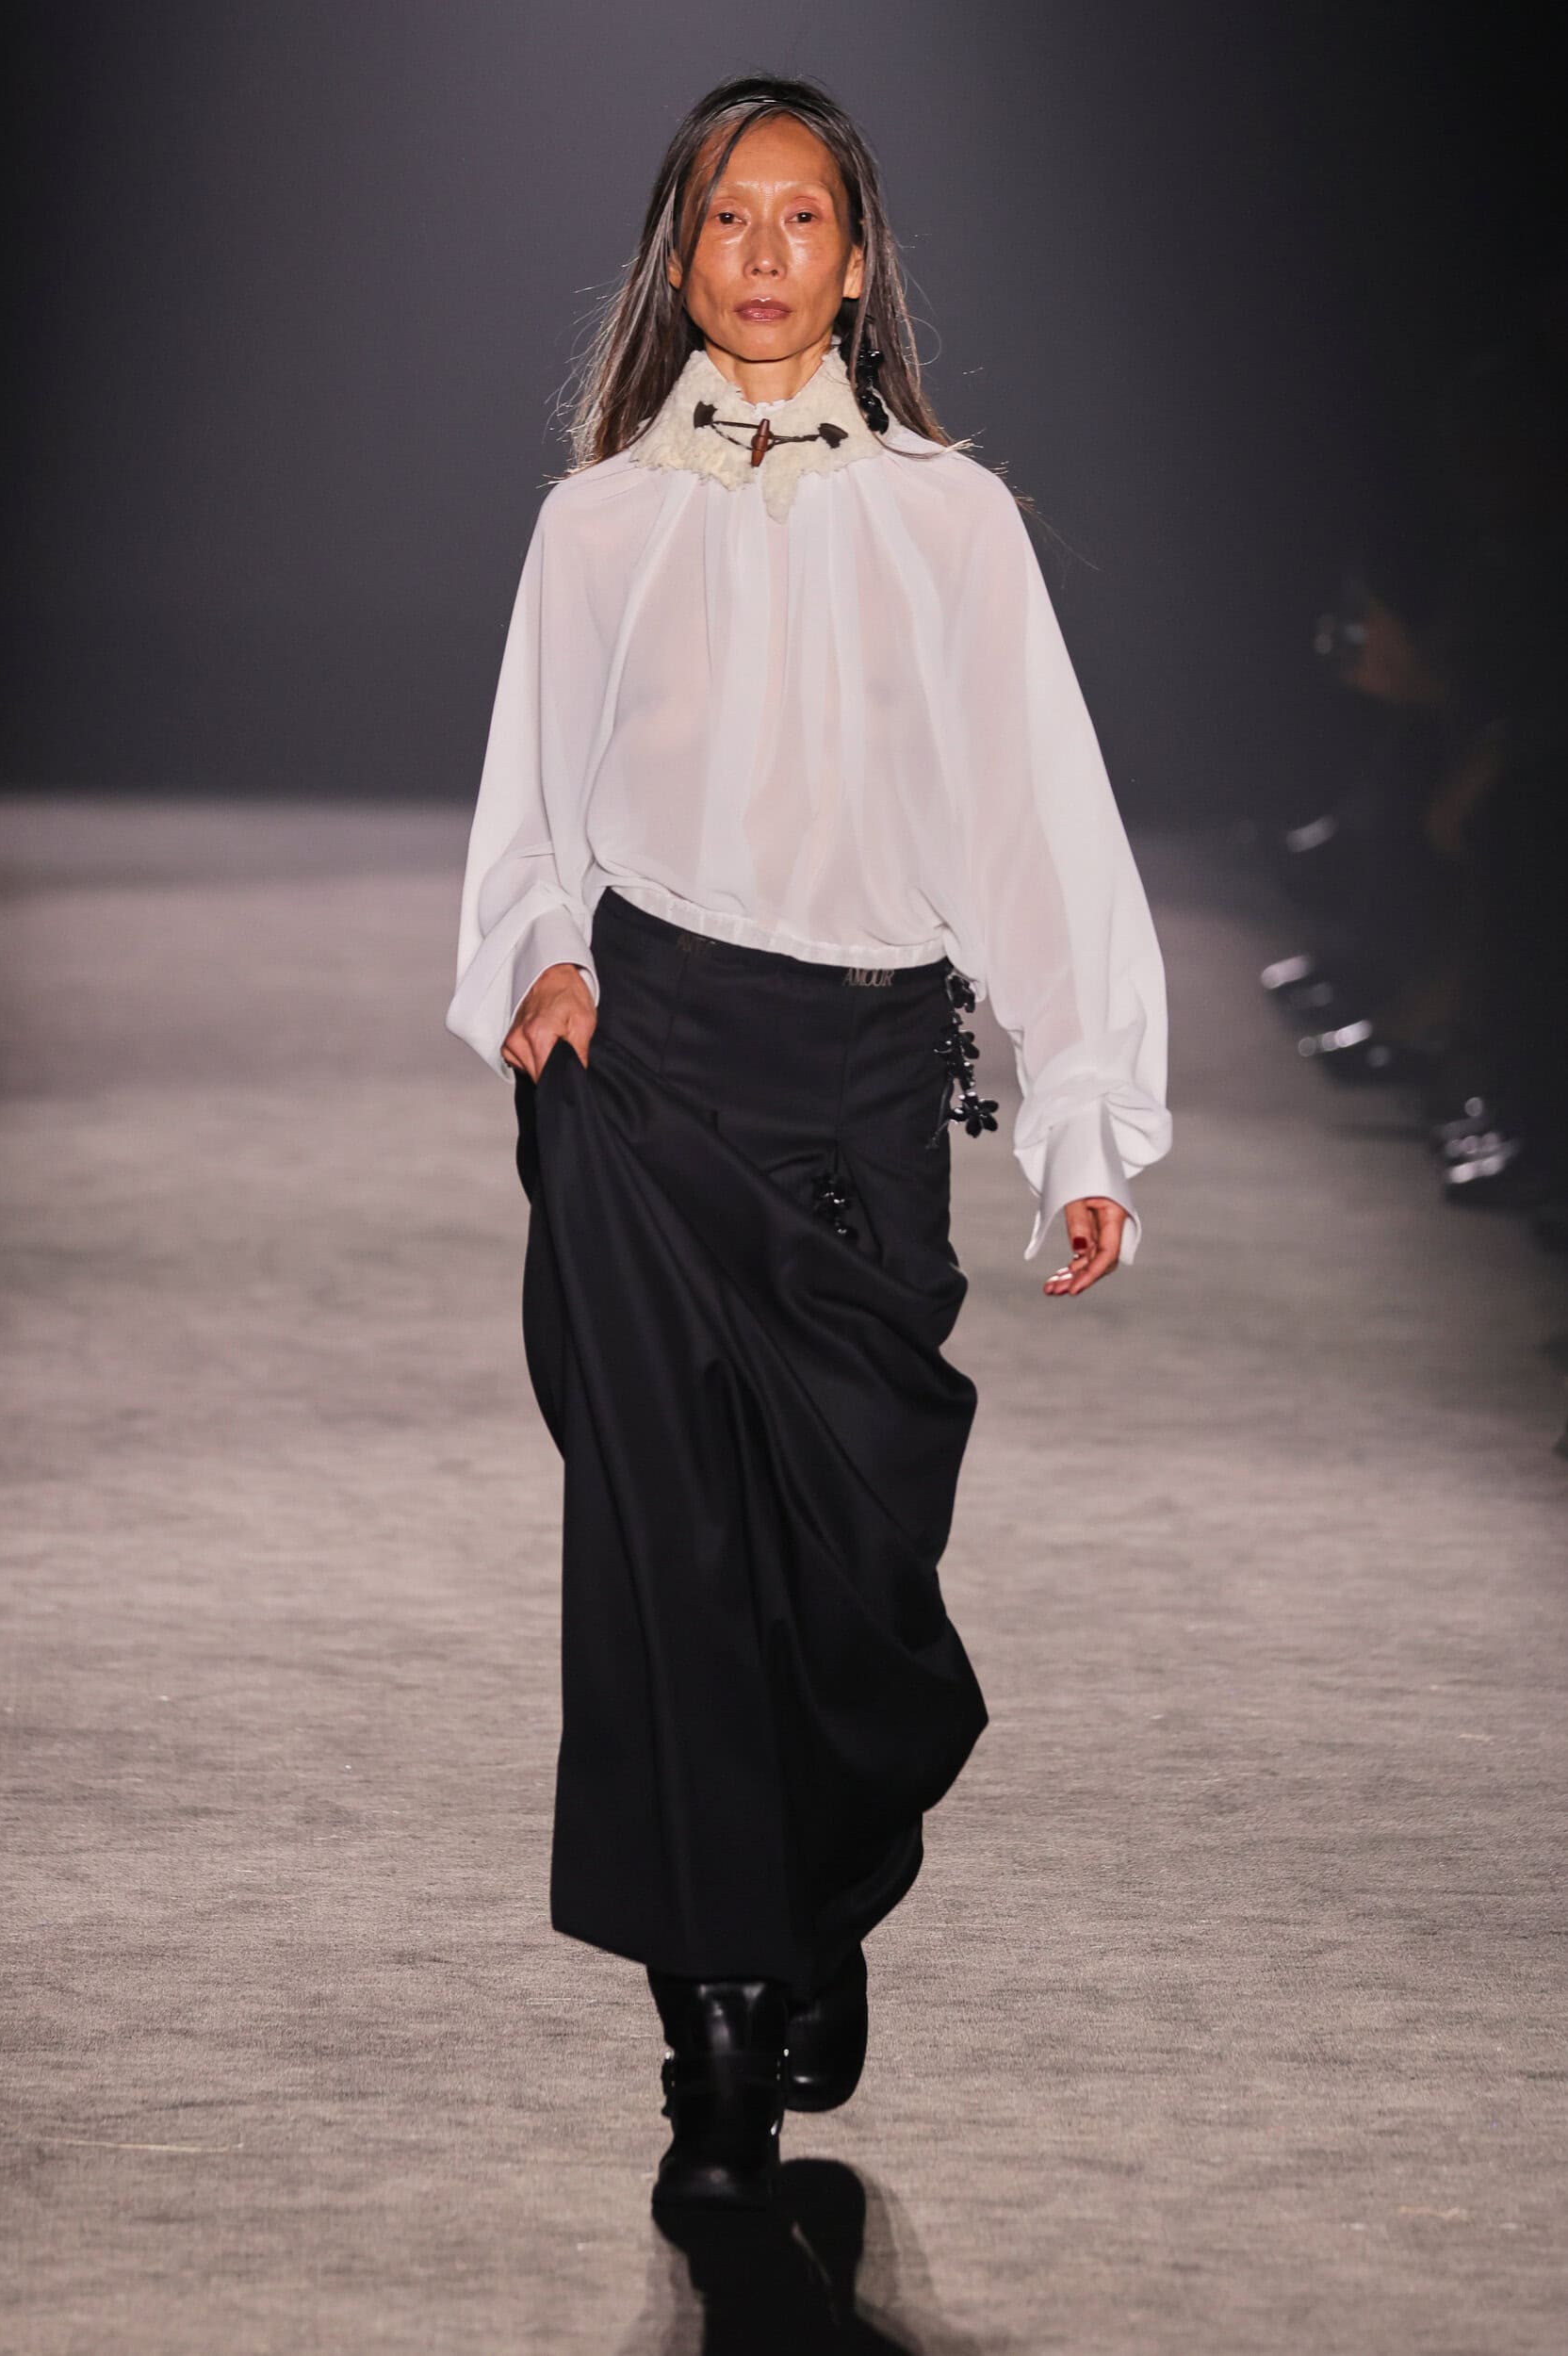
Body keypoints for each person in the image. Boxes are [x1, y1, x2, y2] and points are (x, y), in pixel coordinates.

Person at [447, 73, 1172, 2214]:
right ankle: (711, 2033)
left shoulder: (954, 521)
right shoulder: (597, 525)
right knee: (664, 1558)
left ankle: (821, 1888)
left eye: (802, 219)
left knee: (852, 1574)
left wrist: (1081, 1113)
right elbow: (527, 815)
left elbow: (1040, 824)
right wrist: (543, 966)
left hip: (862, 1076)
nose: (763, 253)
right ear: (681, 261)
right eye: (726, 218)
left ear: (857, 265)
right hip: (649, 1072)